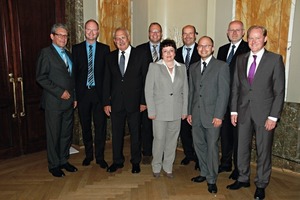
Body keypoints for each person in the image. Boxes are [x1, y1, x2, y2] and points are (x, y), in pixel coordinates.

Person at [227, 25, 285, 200]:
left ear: (265, 39)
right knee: (242, 148)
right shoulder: (241, 59)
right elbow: (236, 87)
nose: (253, 41)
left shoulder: (275, 60)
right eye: (250, 38)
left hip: (265, 115)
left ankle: (261, 184)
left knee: (263, 151)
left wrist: (273, 116)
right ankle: (243, 178)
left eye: (257, 38)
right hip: (243, 112)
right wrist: (233, 110)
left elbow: (279, 91)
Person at [187, 36, 230, 193]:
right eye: (201, 46)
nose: (203, 49)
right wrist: (189, 112)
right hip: (196, 115)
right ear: (197, 48)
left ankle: (212, 179)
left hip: (213, 116)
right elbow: (192, 92)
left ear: (212, 48)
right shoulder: (193, 67)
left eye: (207, 46)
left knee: (212, 147)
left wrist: (219, 115)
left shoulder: (221, 66)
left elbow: (223, 94)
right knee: (199, 146)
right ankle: (204, 173)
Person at [103, 27, 148, 174]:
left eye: (123, 37)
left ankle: (136, 162)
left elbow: (145, 80)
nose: (120, 40)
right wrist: (106, 102)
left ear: (128, 37)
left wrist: (143, 101)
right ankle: (117, 161)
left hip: (135, 103)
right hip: (116, 103)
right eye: (117, 38)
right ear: (114, 41)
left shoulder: (140, 54)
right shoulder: (110, 57)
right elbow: (106, 81)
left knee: (136, 133)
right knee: (117, 133)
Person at [36, 23, 78, 177]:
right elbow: (41, 77)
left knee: (66, 134)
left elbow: (72, 78)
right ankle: (54, 165)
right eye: (60, 35)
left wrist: (74, 97)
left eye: (65, 35)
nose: (63, 38)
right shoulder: (46, 53)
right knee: (54, 134)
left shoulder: (68, 54)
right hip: (53, 102)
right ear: (52, 36)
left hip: (69, 102)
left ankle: (63, 160)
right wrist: (60, 92)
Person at [145, 39, 188, 178]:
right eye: (165, 51)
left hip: (176, 111)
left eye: (171, 51)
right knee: (159, 140)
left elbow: (185, 91)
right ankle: (156, 165)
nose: (168, 54)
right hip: (159, 112)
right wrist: (151, 111)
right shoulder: (154, 66)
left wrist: (184, 110)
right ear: (161, 53)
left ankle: (168, 166)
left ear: (175, 52)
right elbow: (148, 90)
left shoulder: (182, 67)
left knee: (172, 140)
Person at [72, 19, 110, 168]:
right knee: (86, 126)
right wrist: (75, 96)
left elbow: (107, 76)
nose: (91, 32)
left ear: (98, 32)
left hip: (99, 95)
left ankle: (100, 157)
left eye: (94, 30)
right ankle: (88, 155)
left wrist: (108, 97)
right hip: (83, 95)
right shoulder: (76, 49)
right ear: (84, 31)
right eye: (88, 29)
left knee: (100, 127)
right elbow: (73, 75)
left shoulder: (105, 49)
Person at [217, 20, 250, 180]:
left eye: (238, 30)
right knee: (225, 134)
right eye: (232, 30)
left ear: (243, 32)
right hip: (223, 99)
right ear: (227, 32)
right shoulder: (222, 50)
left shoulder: (248, 49)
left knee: (239, 137)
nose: (235, 33)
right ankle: (225, 163)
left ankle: (238, 168)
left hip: (240, 101)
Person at [136, 22, 163, 165]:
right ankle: (147, 152)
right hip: (146, 96)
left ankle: (160, 152)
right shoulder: (139, 50)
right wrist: (142, 100)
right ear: (148, 33)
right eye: (152, 32)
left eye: (157, 32)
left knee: (161, 127)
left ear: (161, 34)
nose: (155, 34)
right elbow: (137, 78)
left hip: (164, 97)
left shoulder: (168, 49)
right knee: (146, 126)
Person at [175, 25, 201, 170]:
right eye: (185, 34)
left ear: (195, 35)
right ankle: (188, 154)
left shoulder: (202, 50)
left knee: (196, 129)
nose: (188, 36)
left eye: (190, 34)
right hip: (180, 97)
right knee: (184, 129)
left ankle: (198, 157)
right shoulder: (176, 53)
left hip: (197, 97)